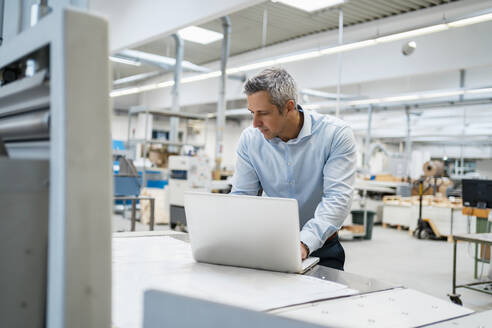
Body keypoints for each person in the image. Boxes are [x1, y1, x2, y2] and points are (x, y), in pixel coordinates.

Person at [230, 67, 356, 270]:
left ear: (289, 107)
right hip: (270, 241)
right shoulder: (250, 139)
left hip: (321, 245)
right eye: (252, 113)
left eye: (263, 113)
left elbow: (337, 198)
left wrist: (304, 243)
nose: (255, 123)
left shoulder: (335, 135)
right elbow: (242, 195)